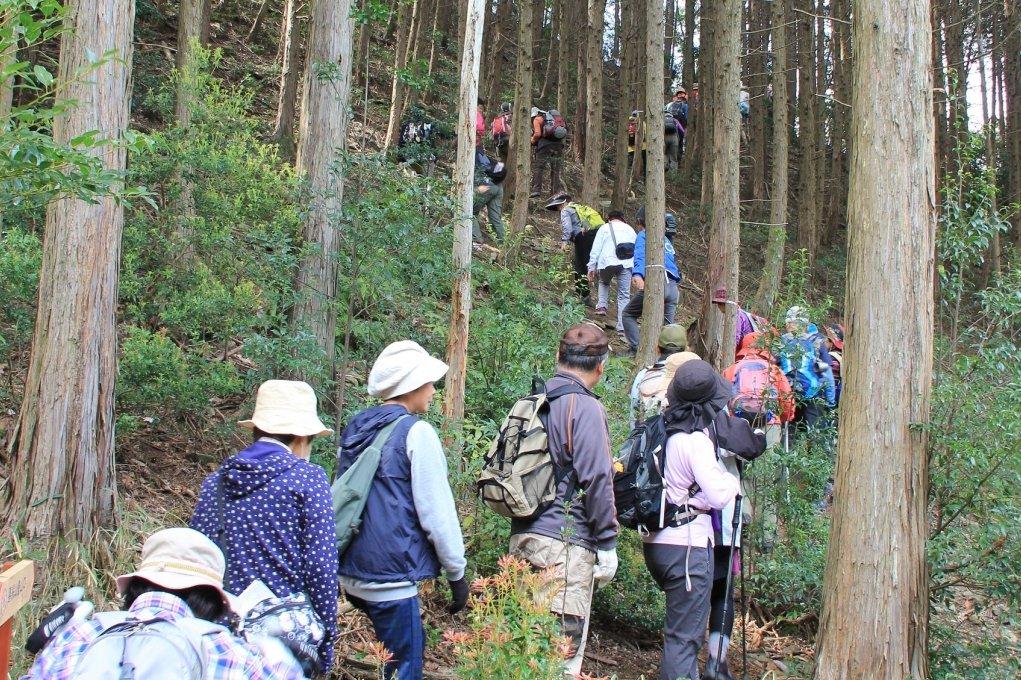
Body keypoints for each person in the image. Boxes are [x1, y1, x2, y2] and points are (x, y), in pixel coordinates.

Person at [337, 341, 468, 680]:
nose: (434, 390)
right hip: (390, 577)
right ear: (411, 386)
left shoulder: (356, 427)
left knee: (389, 660)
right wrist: (457, 573)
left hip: (351, 571)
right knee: (405, 668)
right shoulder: (417, 432)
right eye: (428, 382)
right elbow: (437, 512)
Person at [23, 528, 307, 680]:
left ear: (135, 586)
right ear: (211, 603)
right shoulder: (224, 650)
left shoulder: (79, 634)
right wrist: (273, 650)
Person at [191, 379, 338, 671]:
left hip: (219, 635)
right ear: (301, 437)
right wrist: (325, 642)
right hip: (283, 637)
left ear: (257, 430)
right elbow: (321, 567)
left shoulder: (216, 482)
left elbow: (195, 556)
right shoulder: (308, 479)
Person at [509, 324, 619, 677]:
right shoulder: (584, 408)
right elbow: (597, 479)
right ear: (601, 366)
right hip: (565, 549)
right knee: (558, 658)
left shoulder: (532, 401)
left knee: (521, 647)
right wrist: (607, 542)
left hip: (524, 537)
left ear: (558, 357)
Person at [645, 360, 741, 680]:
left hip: (659, 541)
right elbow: (718, 496)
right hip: (687, 548)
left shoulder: (662, 428)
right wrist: (731, 482)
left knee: (679, 634)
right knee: (684, 639)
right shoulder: (695, 440)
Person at [622, 206, 682, 354]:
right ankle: (668, 356)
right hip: (673, 287)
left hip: (657, 282)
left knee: (628, 314)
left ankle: (636, 349)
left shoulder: (645, 234)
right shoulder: (666, 239)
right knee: (668, 327)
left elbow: (640, 254)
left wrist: (637, 274)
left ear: (640, 221)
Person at [778, 306, 837, 430]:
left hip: (787, 394)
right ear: (806, 324)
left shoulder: (780, 342)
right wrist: (830, 402)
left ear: (788, 323)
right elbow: (827, 374)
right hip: (813, 395)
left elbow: (774, 369)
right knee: (815, 435)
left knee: (789, 434)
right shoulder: (816, 343)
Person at [629, 324, 689, 428]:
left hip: (650, 436)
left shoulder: (643, 375)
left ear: (657, 349)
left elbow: (635, 414)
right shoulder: (692, 376)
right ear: (686, 350)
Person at [547, 192, 601, 307]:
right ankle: (593, 297)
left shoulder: (566, 210)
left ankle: (583, 295)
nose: (558, 208)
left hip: (581, 238)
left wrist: (564, 242)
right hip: (592, 237)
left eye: (558, 205)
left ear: (563, 202)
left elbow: (567, 228)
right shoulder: (577, 208)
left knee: (580, 266)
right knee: (588, 265)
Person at [587, 210, 636, 335]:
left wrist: (591, 267)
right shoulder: (630, 229)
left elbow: (596, 248)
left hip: (607, 261)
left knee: (604, 282)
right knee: (624, 295)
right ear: (622, 218)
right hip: (626, 264)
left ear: (609, 218)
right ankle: (622, 326)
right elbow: (636, 249)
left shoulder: (604, 228)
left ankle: (602, 306)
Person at [530, 106, 566, 197]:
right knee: (555, 170)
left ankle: (536, 190)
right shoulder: (554, 119)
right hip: (558, 146)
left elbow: (537, 134)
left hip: (544, 146)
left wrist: (532, 141)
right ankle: (555, 192)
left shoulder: (537, 119)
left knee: (539, 167)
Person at [472, 157, 506, 244]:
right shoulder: (483, 155)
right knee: (495, 217)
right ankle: (504, 243)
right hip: (498, 186)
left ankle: (477, 239)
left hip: (486, 186)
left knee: (470, 212)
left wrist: (476, 189)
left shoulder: (472, 155)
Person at [397, 106, 437, 176]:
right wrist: (435, 159)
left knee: (411, 180)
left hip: (408, 157)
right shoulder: (428, 127)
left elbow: (401, 143)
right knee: (425, 181)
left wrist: (400, 159)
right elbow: (432, 145)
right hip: (425, 159)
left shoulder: (406, 127)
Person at [667, 89, 689, 162]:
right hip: (680, 128)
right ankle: (678, 161)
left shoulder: (669, 104)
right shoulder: (685, 105)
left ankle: (668, 161)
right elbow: (686, 117)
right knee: (680, 143)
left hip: (669, 127)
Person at [627, 111, 648, 180]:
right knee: (645, 162)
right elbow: (646, 134)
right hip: (643, 146)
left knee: (631, 162)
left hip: (630, 146)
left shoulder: (628, 122)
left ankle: (630, 177)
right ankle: (645, 179)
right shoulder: (642, 123)